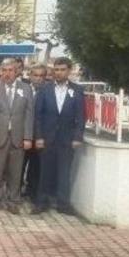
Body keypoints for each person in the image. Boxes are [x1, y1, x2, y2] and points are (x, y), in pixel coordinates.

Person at [33, 57, 85, 215]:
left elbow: (81, 116)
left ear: (69, 71)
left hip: (67, 139)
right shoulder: (44, 89)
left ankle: (63, 204)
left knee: (64, 173)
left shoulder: (77, 90)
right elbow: (38, 115)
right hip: (47, 138)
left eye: (62, 70)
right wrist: (39, 137)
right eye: (56, 70)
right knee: (45, 172)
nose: (59, 73)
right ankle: (42, 203)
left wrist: (77, 137)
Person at [0, 59, 34, 214]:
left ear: (16, 72)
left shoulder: (26, 89)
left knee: (16, 172)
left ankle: (13, 201)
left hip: (18, 138)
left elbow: (29, 114)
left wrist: (28, 137)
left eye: (10, 70)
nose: (7, 73)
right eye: (4, 70)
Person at [22, 64, 48, 200]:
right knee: (20, 165)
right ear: (30, 76)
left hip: (40, 136)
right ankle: (17, 191)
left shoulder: (49, 91)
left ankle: (32, 192)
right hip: (23, 135)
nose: (38, 78)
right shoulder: (22, 89)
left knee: (36, 166)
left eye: (41, 76)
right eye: (35, 75)